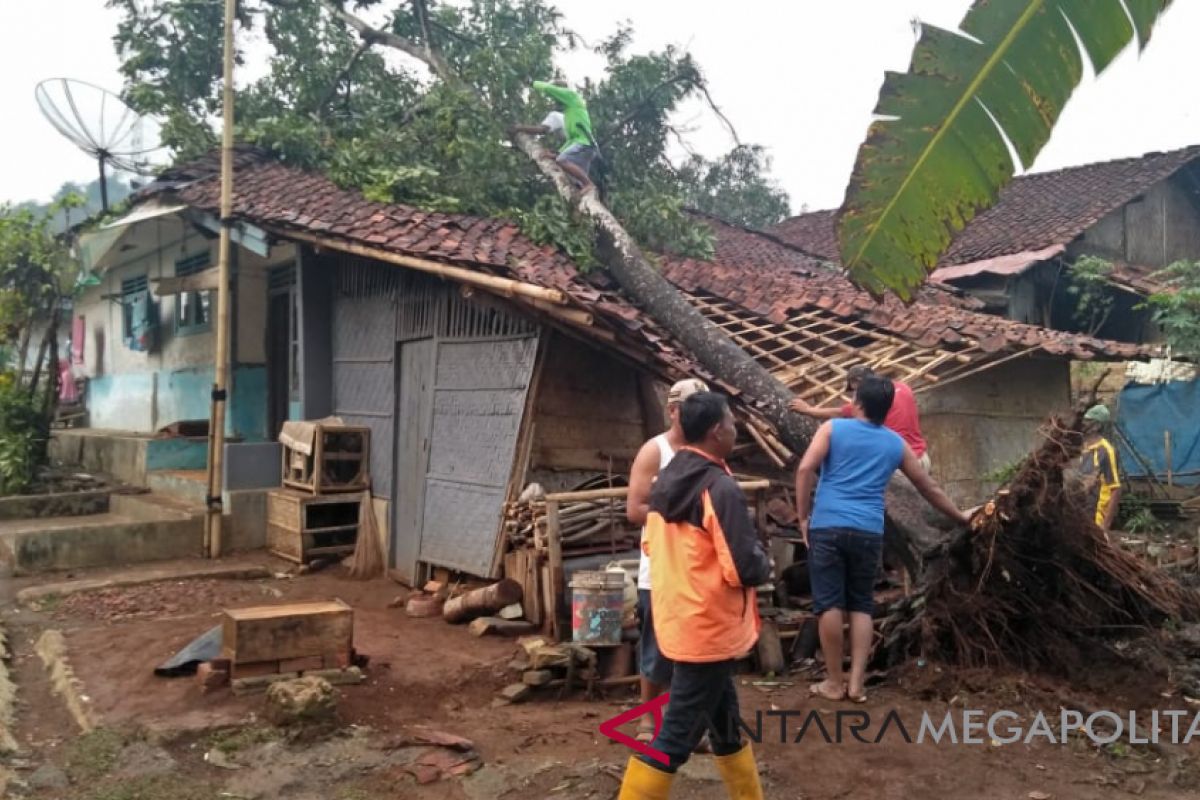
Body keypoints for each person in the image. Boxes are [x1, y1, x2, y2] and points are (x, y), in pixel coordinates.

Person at [617, 392, 770, 800]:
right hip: (709, 628)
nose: (736, 431)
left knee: (725, 725)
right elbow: (741, 567)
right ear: (717, 431)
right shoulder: (719, 488)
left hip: (680, 616)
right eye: (734, 424)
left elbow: (651, 545)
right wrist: (764, 562)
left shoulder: (667, 480)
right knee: (674, 739)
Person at [795, 376, 969, 704]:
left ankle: (834, 682)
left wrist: (803, 516)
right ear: (887, 410)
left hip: (828, 523)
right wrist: (960, 517)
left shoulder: (833, 428)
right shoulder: (895, 443)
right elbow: (928, 488)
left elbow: (805, 469)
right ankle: (857, 683)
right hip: (869, 530)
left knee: (829, 603)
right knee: (861, 603)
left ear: (857, 402)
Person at [626, 378, 708, 744]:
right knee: (656, 646)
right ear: (672, 410)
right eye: (688, 408)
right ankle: (647, 719)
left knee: (696, 649)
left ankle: (688, 722)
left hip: (698, 569)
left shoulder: (707, 451)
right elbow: (635, 509)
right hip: (659, 568)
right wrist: (681, 515)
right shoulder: (654, 451)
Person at [790, 365, 930, 472]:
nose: (855, 394)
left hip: (900, 465)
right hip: (922, 458)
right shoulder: (903, 387)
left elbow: (839, 412)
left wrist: (808, 410)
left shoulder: (871, 400)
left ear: (858, 382)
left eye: (855, 389)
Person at [527, 79, 599, 192]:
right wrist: (554, 154)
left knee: (562, 160)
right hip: (585, 146)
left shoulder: (571, 96)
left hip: (585, 144)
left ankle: (589, 184)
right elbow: (572, 141)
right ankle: (585, 195)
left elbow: (549, 89)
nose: (555, 102)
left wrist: (532, 83)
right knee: (575, 182)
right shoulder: (569, 114)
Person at [1078, 404, 1121, 531]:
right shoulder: (1082, 449)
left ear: (1097, 426)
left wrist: (1105, 526)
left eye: (1088, 421)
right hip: (1079, 515)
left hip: (1096, 518)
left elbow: (1115, 489)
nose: (1083, 424)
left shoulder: (1106, 451)